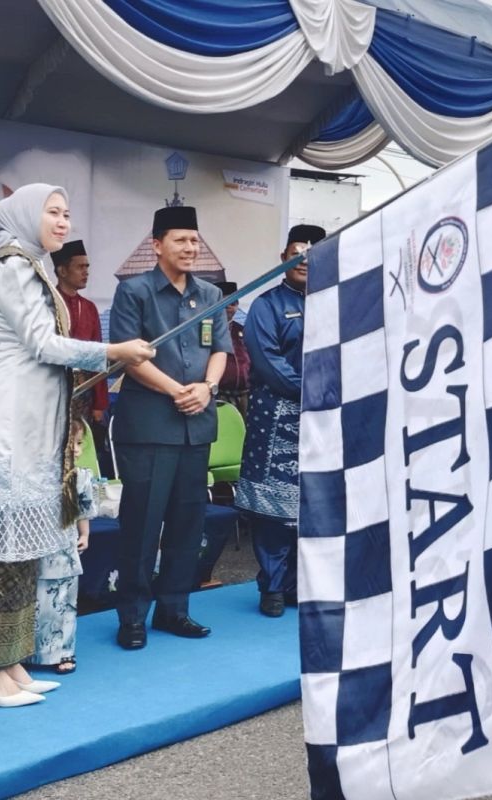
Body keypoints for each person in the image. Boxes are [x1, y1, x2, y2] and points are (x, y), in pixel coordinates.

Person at [0, 183, 152, 706]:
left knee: (20, 553)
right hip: (2, 430)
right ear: (23, 215)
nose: (63, 221)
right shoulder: (12, 265)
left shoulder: (28, 265)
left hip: (26, 429)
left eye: (66, 213)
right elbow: (42, 344)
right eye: (53, 212)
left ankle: (8, 661)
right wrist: (113, 350)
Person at [109, 205, 231, 650]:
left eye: (194, 241)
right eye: (180, 240)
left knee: (187, 522)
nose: (189, 248)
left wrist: (207, 388)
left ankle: (175, 609)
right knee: (141, 524)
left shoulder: (210, 294)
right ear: (157, 245)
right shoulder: (135, 292)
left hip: (196, 424)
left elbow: (220, 348)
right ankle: (133, 617)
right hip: (149, 425)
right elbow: (127, 357)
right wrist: (178, 390)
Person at [236, 224, 324, 617]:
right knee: (274, 507)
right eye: (297, 251)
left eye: (312, 252)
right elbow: (266, 359)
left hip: (324, 416)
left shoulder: (336, 301)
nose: (304, 259)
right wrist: (309, 390)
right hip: (277, 414)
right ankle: (271, 585)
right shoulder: (266, 305)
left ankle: (299, 584)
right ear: (283, 256)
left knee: (315, 502)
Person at [29, 418, 95, 675]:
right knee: (37, 602)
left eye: (79, 444)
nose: (76, 449)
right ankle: (31, 652)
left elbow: (84, 509)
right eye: (71, 444)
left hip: (66, 550)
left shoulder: (81, 477)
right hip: (38, 547)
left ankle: (65, 652)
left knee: (65, 603)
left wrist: (85, 534)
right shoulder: (37, 477)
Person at [52, 240, 108, 426]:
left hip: (84, 393)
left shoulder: (89, 308)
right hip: (51, 391)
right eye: (80, 267)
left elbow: (98, 356)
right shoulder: (45, 303)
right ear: (62, 271)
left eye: (87, 267)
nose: (86, 272)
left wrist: (99, 403)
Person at [214, 281, 251, 416]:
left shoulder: (244, 329)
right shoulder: (206, 331)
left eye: (234, 303)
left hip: (245, 394)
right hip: (219, 395)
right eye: (225, 303)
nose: (229, 307)